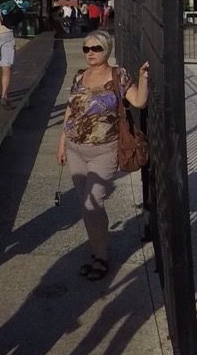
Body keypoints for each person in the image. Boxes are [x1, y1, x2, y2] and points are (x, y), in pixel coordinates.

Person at [54, 28, 151, 282]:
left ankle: (102, 256)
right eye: (86, 49)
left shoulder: (118, 75)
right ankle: (96, 251)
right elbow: (71, 110)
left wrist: (143, 79)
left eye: (96, 48)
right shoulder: (79, 76)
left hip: (104, 151)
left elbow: (139, 102)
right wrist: (62, 142)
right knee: (86, 206)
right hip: (75, 148)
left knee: (92, 204)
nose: (90, 53)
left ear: (106, 50)